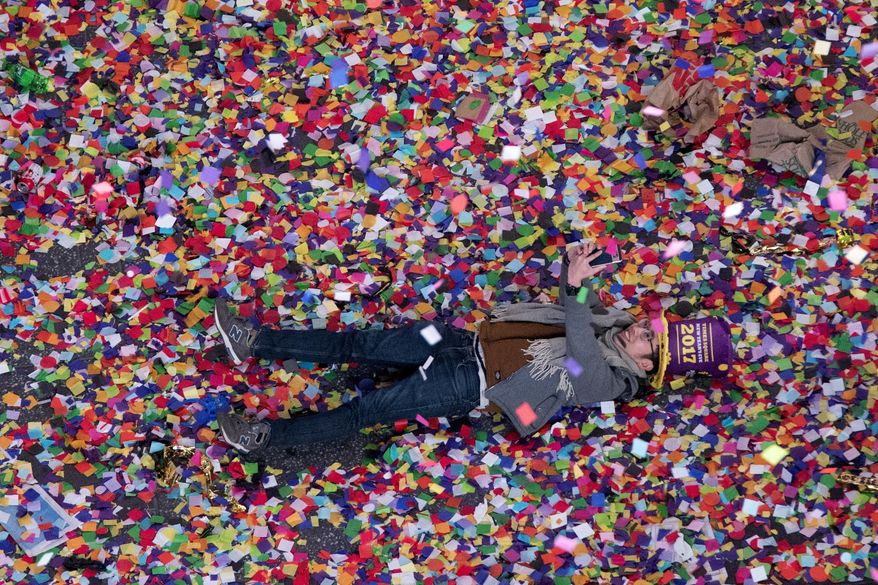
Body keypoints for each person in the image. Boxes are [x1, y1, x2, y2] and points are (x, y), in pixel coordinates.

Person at [215, 241, 660, 453]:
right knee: (357, 341)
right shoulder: (608, 322)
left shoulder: (610, 383)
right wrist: (572, 270)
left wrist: (580, 291)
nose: (638, 327)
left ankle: (262, 437)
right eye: (645, 325)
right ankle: (254, 342)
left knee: (367, 410)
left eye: (647, 338)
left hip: (466, 383)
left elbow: (579, 349)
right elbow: (572, 306)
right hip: (457, 342)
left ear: (646, 364)